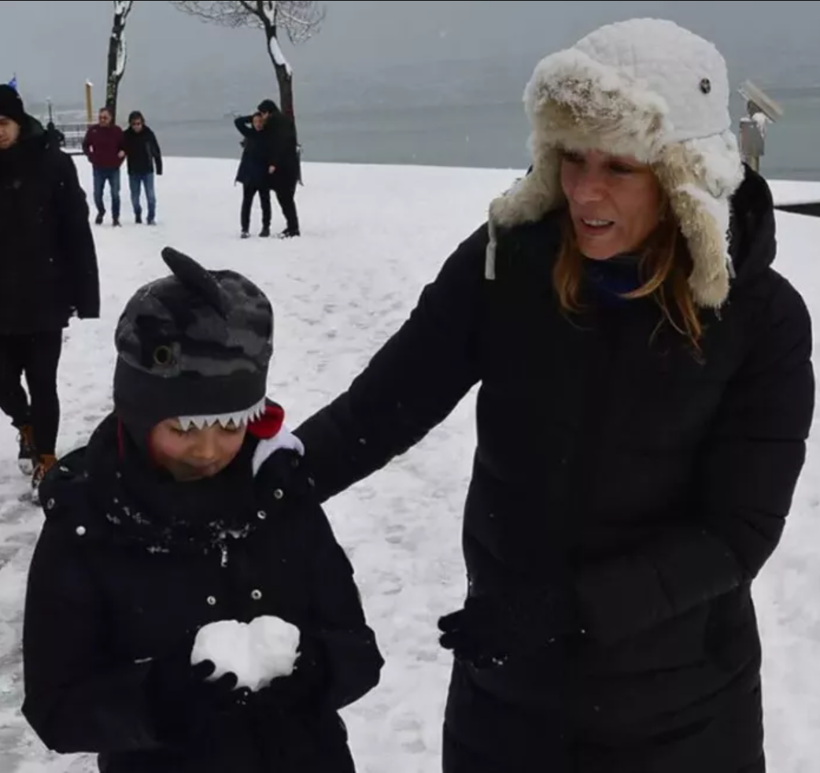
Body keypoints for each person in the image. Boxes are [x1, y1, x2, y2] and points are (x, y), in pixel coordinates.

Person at [293, 19, 815, 772]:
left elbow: (736, 532)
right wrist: (251, 479)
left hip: (682, 715)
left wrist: (569, 609)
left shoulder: (760, 319)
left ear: (681, 178)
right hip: (507, 702)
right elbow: (383, 407)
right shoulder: (506, 266)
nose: (584, 191)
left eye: (619, 167)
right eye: (572, 157)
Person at [21, 246, 384, 773]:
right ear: (139, 414)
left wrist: (317, 673)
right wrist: (156, 702)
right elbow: (55, 707)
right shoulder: (88, 521)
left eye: (231, 424)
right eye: (184, 429)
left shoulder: (281, 494)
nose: (209, 450)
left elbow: (357, 648)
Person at [0, 84, 99, 501]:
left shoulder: (54, 165)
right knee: (3, 382)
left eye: (2, 123)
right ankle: (23, 422)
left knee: (43, 381)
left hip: (44, 294)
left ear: (19, 123)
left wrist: (85, 294)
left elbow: (76, 231)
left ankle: (46, 455)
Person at [258, 99, 300, 238]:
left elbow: (277, 145)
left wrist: (273, 163)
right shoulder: (285, 121)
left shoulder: (274, 122)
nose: (261, 117)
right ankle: (292, 226)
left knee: (285, 199)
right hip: (290, 166)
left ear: (267, 112)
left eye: (262, 114)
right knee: (287, 198)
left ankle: (293, 228)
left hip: (282, 168)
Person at [82, 106, 125, 226]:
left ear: (110, 118)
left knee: (115, 194)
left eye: (105, 118)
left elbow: (124, 147)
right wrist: (90, 156)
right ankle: (101, 211)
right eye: (100, 117)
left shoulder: (117, 131)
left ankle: (115, 218)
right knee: (97, 194)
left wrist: (120, 157)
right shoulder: (93, 131)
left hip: (113, 168)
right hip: (98, 168)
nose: (102, 120)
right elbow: (85, 145)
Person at [234, 111, 273, 238]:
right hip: (249, 174)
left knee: (265, 203)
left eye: (260, 122)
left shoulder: (268, 134)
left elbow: (275, 151)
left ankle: (266, 227)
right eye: (255, 122)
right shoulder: (249, 133)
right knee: (247, 203)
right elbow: (238, 122)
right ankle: (245, 229)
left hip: (263, 174)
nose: (258, 124)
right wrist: (252, 117)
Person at [123, 110, 163, 225]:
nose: (136, 126)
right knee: (135, 198)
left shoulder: (148, 134)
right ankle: (137, 214)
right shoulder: (126, 135)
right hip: (133, 171)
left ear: (142, 122)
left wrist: (159, 167)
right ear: (130, 124)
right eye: (134, 124)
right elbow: (119, 148)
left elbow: (156, 151)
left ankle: (151, 218)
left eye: (138, 123)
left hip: (147, 170)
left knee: (151, 197)